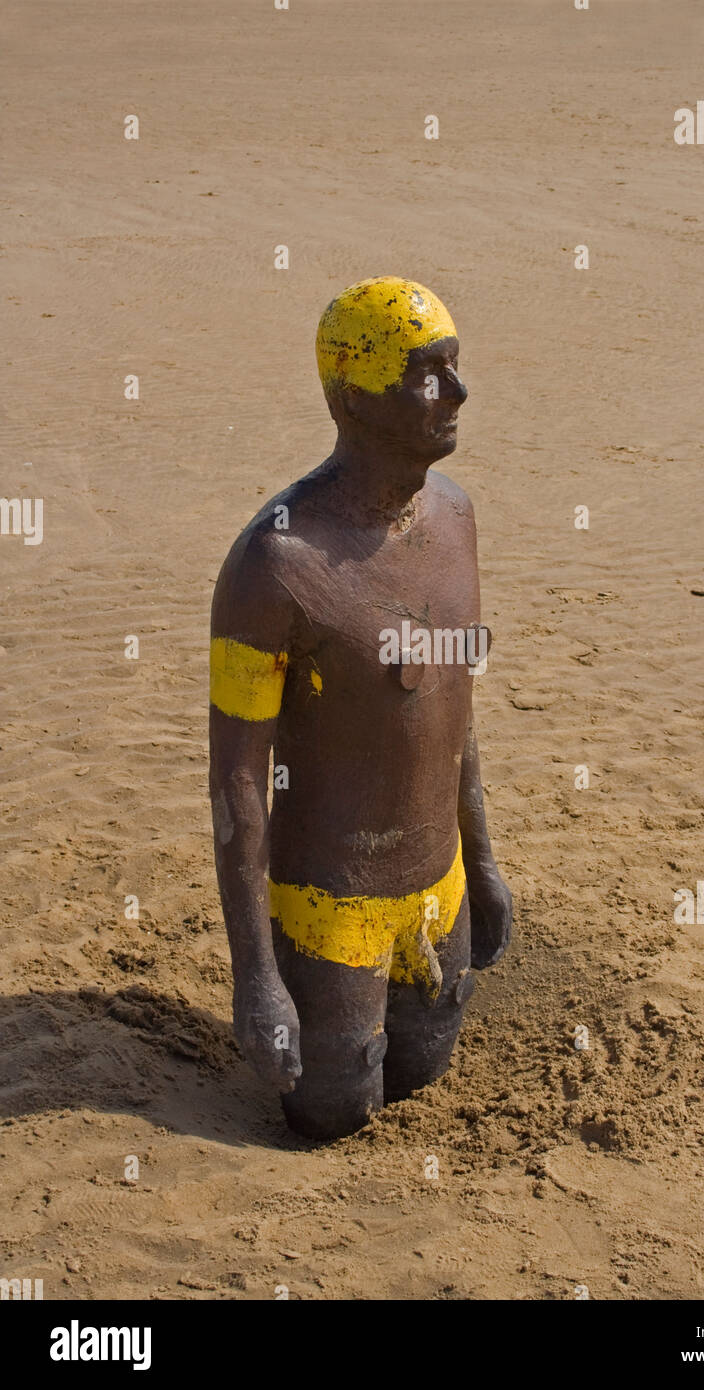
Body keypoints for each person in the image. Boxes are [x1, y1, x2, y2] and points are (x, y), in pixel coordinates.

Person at [209, 276, 512, 1140]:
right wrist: (257, 978)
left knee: (424, 1072)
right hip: (331, 903)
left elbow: (454, 712)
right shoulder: (275, 566)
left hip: (438, 887)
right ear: (352, 393)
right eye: (427, 374)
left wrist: (481, 860)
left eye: (454, 369)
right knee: (332, 1111)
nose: (456, 393)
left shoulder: (455, 519)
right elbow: (236, 785)